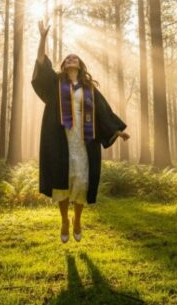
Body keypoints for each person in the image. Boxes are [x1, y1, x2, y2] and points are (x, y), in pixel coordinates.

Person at [31, 20, 130, 243]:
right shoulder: (56, 84)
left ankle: (77, 220)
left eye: (74, 57)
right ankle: (64, 220)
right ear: (64, 65)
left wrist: (117, 131)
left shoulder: (88, 88)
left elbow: (103, 112)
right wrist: (43, 38)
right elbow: (40, 65)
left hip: (84, 140)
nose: (71, 58)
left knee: (82, 182)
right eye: (67, 58)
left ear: (80, 64)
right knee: (62, 180)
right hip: (60, 139)